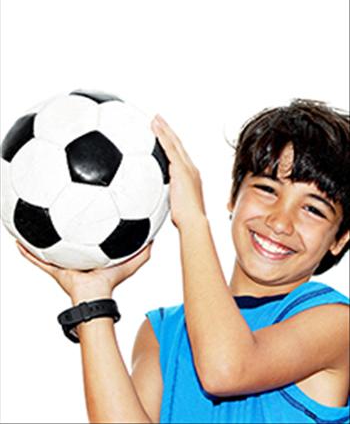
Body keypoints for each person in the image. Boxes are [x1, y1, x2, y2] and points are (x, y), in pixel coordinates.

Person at [17, 98, 350, 424]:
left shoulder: (336, 323)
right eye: (266, 189)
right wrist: (91, 300)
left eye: (313, 209)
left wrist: (192, 219)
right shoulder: (162, 332)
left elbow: (225, 369)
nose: (280, 221)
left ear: (339, 239)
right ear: (234, 196)